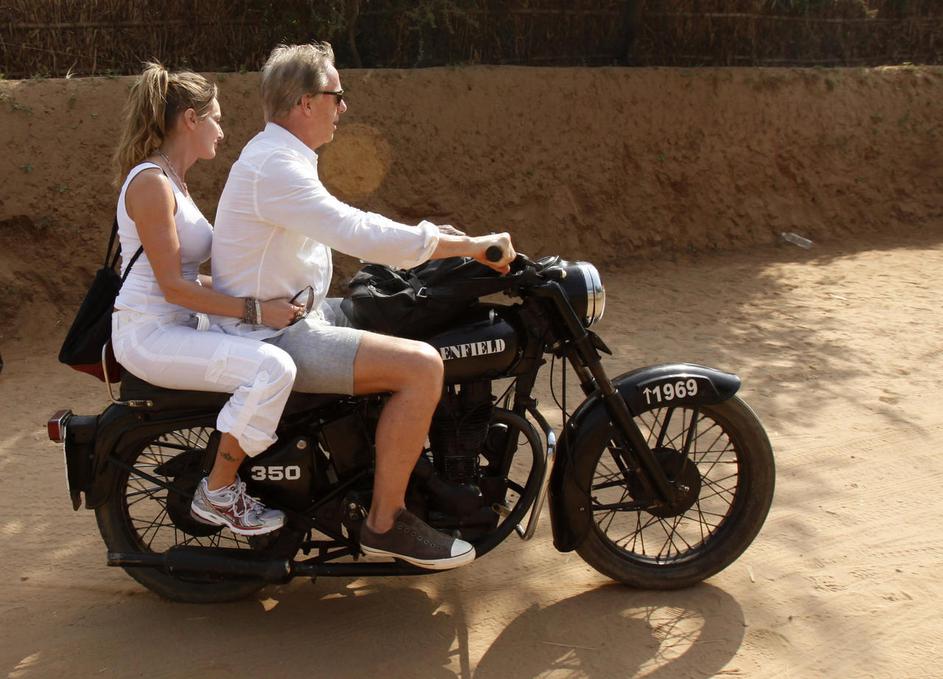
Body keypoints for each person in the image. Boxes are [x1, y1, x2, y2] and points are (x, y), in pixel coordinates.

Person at [212, 42, 516, 570]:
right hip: (277, 334)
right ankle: (386, 521)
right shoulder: (275, 167)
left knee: (387, 318)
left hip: (299, 312)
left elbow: (346, 221)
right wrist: (466, 246)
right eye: (337, 95)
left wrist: (437, 242)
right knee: (423, 367)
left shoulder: (281, 158)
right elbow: (355, 230)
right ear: (306, 102)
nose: (344, 106)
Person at [111, 62, 304, 536]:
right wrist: (256, 308)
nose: (222, 130)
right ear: (190, 120)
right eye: (215, 118)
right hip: (148, 334)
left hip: (178, 325)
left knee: (273, 346)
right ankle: (218, 492)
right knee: (272, 369)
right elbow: (175, 287)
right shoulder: (151, 183)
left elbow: (190, 278)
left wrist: (264, 297)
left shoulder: (174, 181)